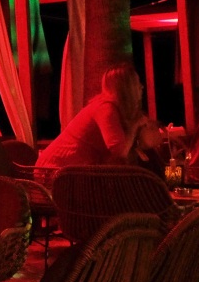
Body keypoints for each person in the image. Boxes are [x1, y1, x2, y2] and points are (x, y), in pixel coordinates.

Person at [32, 66, 162, 190]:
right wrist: (134, 126)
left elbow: (149, 141)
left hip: (69, 173)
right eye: (137, 83)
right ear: (128, 88)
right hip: (53, 172)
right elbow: (119, 151)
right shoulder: (106, 109)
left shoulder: (114, 110)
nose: (141, 87)